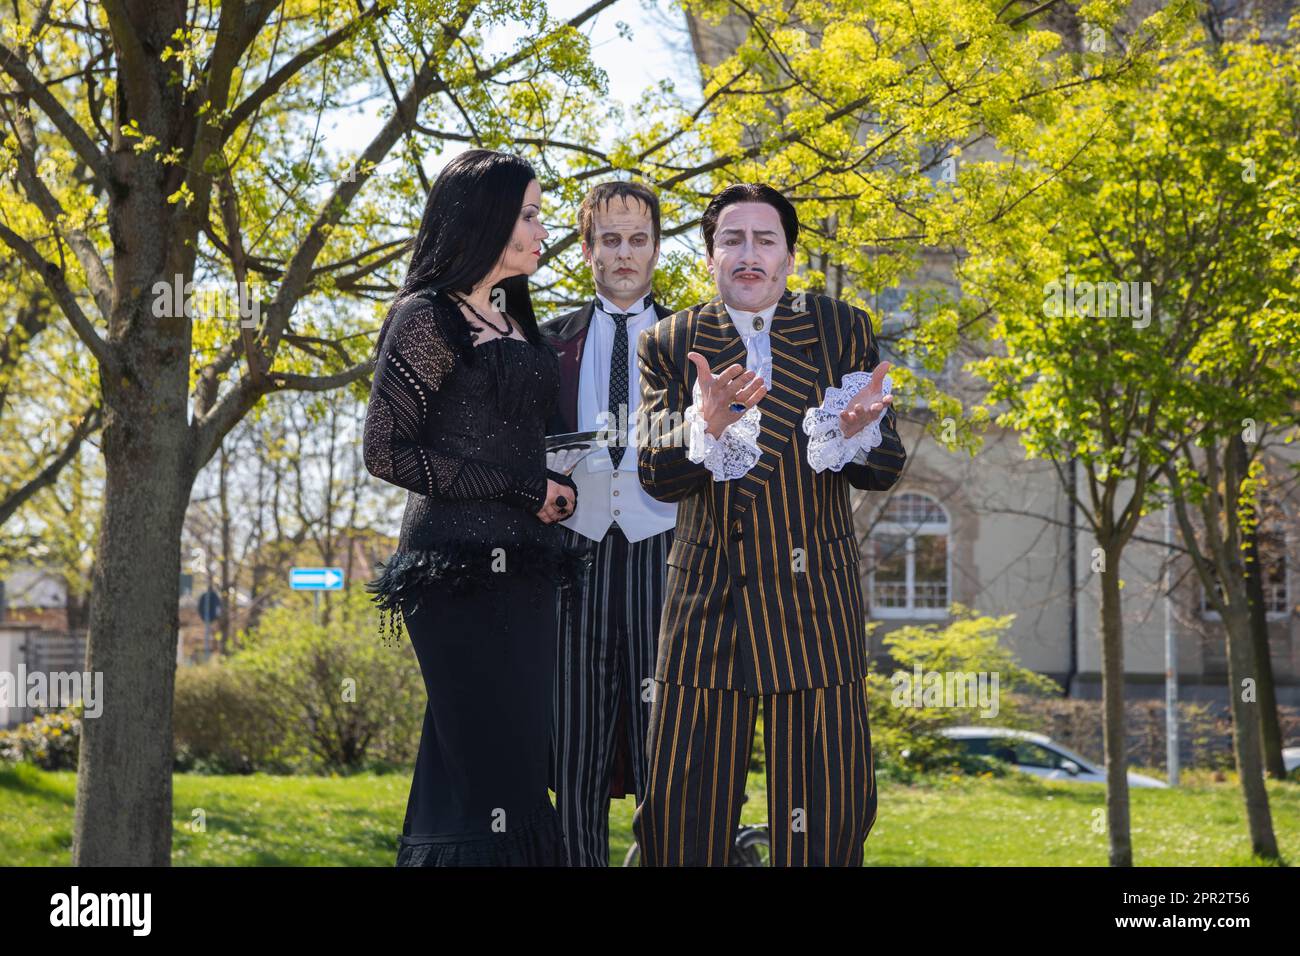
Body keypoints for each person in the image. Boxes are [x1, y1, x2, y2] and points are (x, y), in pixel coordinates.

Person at [631, 182, 907, 866]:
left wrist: (853, 433)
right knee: (677, 824)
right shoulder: (670, 341)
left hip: (816, 608)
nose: (748, 255)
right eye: (732, 240)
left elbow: (882, 468)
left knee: (828, 821)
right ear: (709, 257)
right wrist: (705, 426)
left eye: (765, 240)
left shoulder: (843, 328)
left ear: (789, 258)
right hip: (705, 608)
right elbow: (655, 476)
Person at [362, 148, 584, 866]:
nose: (541, 229)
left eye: (540, 214)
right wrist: (523, 488)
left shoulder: (517, 319)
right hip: (453, 576)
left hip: (528, 573)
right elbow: (386, 451)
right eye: (528, 215)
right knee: (502, 775)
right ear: (484, 219)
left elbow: (518, 440)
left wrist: (556, 482)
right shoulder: (426, 318)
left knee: (473, 773)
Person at [538, 181, 676, 865]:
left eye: (638, 239)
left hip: (667, 555)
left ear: (656, 248)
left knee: (667, 751)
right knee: (577, 756)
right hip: (576, 557)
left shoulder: (695, 336)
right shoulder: (547, 342)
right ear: (587, 248)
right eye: (610, 239)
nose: (625, 253)